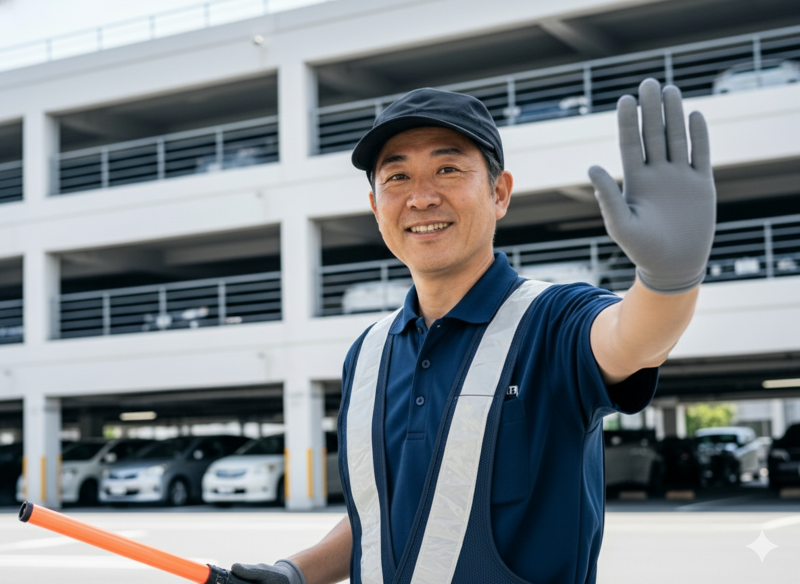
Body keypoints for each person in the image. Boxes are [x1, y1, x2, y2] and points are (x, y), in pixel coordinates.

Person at [229, 78, 716, 584]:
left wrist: (668, 280)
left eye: (448, 169)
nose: (420, 198)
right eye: (396, 177)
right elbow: (382, 514)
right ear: (376, 208)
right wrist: (294, 573)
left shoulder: (551, 320)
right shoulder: (368, 354)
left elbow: (633, 339)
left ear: (499, 193)